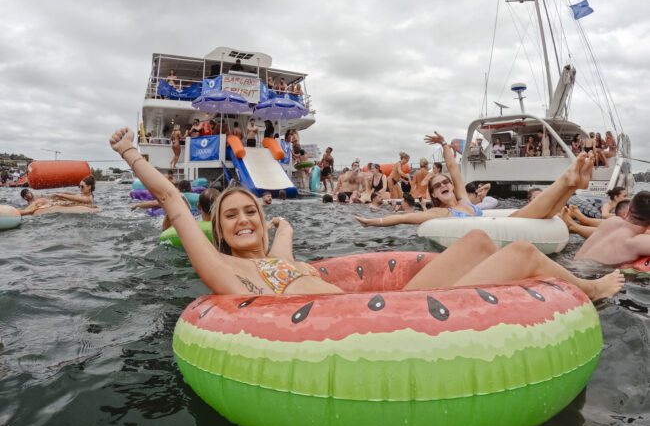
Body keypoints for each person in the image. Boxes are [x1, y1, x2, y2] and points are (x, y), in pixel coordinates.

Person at [109, 126, 623, 301]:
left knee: (480, 243)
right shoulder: (225, 270)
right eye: (231, 217)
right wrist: (132, 155)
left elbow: (280, 231)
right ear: (216, 233)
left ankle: (559, 245)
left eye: (250, 211)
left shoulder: (273, 256)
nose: (244, 219)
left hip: (385, 302)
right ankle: (594, 290)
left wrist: (280, 222)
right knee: (525, 249)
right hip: (369, 322)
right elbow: (176, 204)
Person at [356, 133, 597, 227]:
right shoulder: (440, 214)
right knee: (527, 215)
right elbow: (403, 217)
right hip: (498, 229)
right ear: (433, 195)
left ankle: (573, 183)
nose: (443, 185)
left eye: (444, 182)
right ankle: (568, 179)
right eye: (437, 186)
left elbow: (452, 167)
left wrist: (443, 145)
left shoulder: (462, 198)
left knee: (541, 214)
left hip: (499, 224)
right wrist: (373, 222)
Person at [575, 191, 650, 265]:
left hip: (572, 265)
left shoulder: (611, 220)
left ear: (627, 211)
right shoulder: (637, 242)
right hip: (588, 275)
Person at [560, 200, 630, 240]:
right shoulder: (608, 204)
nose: (626, 197)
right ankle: (584, 220)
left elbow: (604, 215)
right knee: (622, 224)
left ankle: (575, 226)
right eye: (624, 195)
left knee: (622, 228)